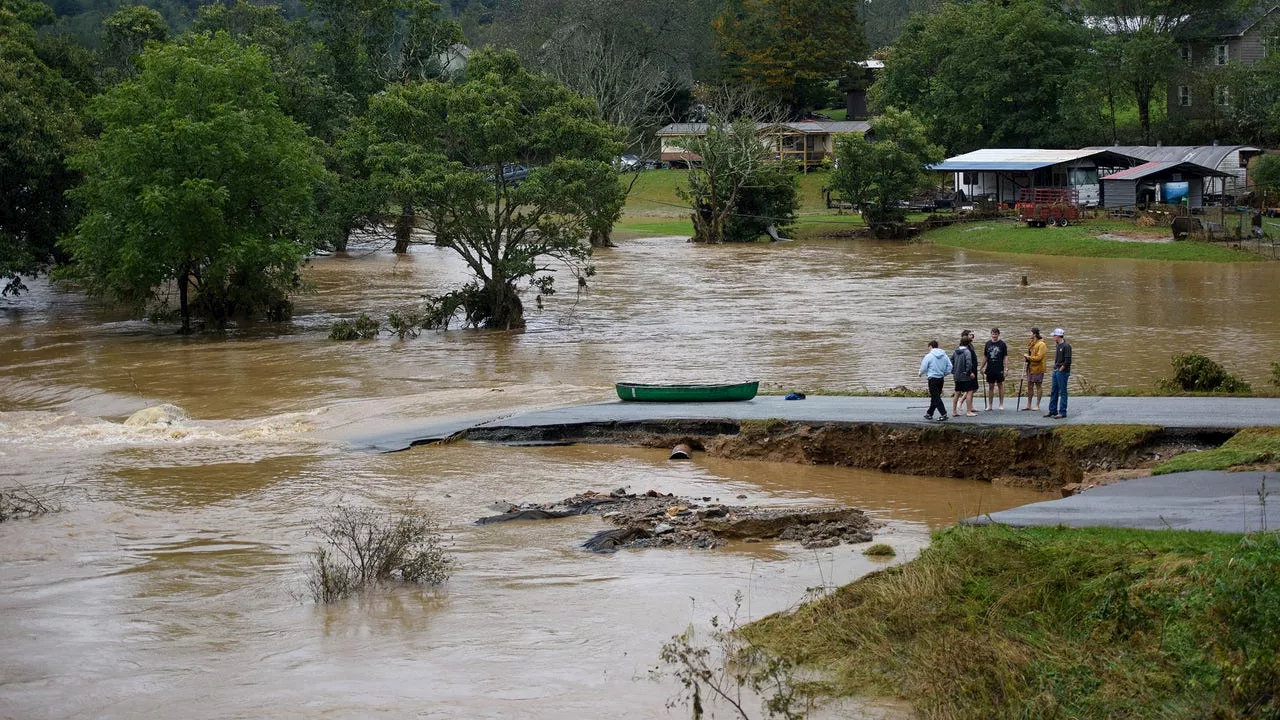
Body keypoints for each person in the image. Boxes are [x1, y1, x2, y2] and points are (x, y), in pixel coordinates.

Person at [918, 339, 952, 421]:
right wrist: (945, 373)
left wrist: (921, 373)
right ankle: (929, 413)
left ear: (930, 346)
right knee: (935, 396)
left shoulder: (929, 356)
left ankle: (944, 414)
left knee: (936, 397)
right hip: (941, 378)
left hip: (932, 379)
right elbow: (950, 366)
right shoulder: (944, 356)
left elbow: (924, 367)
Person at [951, 330, 979, 417]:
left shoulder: (955, 351)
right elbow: (969, 363)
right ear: (967, 344)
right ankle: (969, 411)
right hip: (965, 376)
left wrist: (953, 371)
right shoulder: (967, 352)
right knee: (970, 391)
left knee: (957, 393)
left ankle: (954, 411)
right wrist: (969, 373)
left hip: (957, 376)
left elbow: (951, 361)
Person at [1046, 328, 1073, 419]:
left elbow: (1068, 360)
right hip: (1056, 370)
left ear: (1058, 336)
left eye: (1054, 335)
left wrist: (1062, 368)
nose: (1053, 337)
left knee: (1063, 391)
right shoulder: (1058, 345)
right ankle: (1052, 410)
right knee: (1054, 391)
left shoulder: (1066, 346)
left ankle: (1062, 412)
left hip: (1062, 371)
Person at [981, 327, 1008, 410]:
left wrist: (1006, 368)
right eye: (993, 334)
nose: (994, 335)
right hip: (990, 368)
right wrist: (981, 367)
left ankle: (1001, 404)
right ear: (991, 334)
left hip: (999, 367)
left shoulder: (1002, 344)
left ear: (998, 334)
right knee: (991, 386)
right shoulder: (988, 344)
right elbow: (985, 356)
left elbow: (1006, 357)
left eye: (996, 334)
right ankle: (990, 405)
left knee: (1000, 385)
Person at [1021, 328, 1046, 411]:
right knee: (1029, 386)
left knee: (1038, 385)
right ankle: (1028, 405)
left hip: (1038, 368)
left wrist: (1029, 357)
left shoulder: (1041, 344)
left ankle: (1037, 405)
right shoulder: (1032, 343)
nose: (1029, 334)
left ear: (1034, 334)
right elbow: (1031, 354)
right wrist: (1027, 358)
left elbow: (1039, 357)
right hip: (1030, 367)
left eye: (1030, 333)